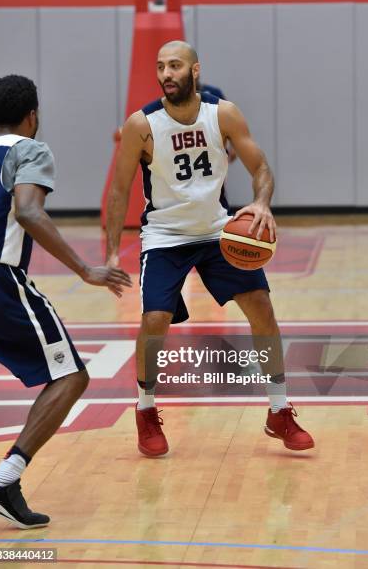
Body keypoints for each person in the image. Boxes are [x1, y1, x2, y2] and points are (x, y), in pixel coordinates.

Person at [106, 41, 314, 457]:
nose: (167, 73)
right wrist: (113, 251)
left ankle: (279, 410)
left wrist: (261, 202)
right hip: (165, 235)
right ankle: (146, 410)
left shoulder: (223, 114)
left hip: (218, 231)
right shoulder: (141, 125)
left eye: (176, 65)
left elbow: (261, 167)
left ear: (195, 70)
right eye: (161, 66)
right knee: (155, 319)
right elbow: (120, 188)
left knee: (261, 306)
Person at [0, 75, 131, 528]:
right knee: (70, 375)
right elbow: (29, 212)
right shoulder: (30, 149)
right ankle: (5, 478)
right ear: (33, 116)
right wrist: (85, 269)